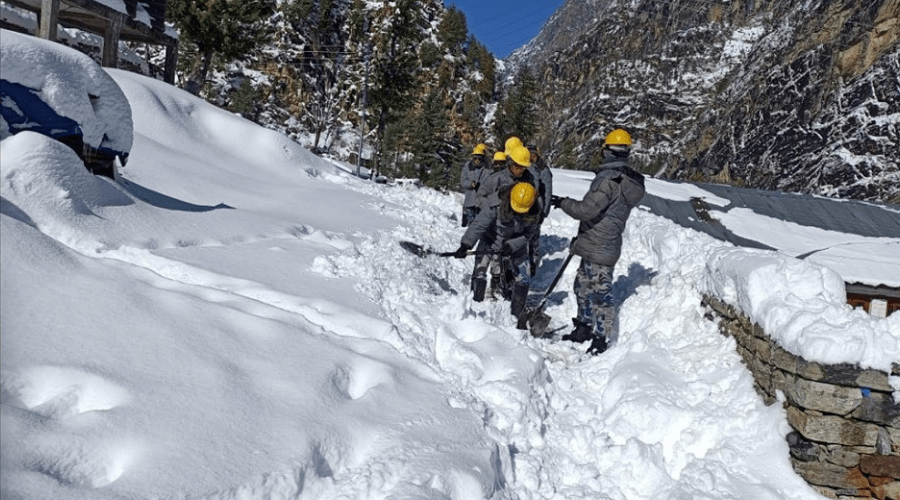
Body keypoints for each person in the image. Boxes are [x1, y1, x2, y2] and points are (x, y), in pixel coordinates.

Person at [549, 129, 645, 355]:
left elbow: (586, 210)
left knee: (601, 294)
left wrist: (564, 203)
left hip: (600, 247)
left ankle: (600, 340)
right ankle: (583, 327)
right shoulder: (628, 181)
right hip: (597, 244)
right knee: (582, 287)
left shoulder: (609, 181)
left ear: (608, 151)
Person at [454, 181, 541, 318]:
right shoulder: (495, 202)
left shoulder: (534, 208)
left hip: (516, 244)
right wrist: (466, 244)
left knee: (523, 276)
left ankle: (516, 316)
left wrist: (513, 245)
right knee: (480, 269)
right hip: (491, 238)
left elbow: (530, 233)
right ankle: (475, 306)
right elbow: (480, 224)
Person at [474, 143, 539, 300]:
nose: (520, 169)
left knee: (506, 261)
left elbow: (533, 203)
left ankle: (501, 291)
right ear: (510, 162)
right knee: (482, 262)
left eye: (523, 167)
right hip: (492, 226)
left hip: (515, 227)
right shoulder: (495, 178)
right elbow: (480, 197)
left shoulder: (529, 181)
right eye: (517, 166)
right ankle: (475, 295)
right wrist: (494, 206)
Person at [527, 143, 553, 276]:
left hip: (537, 207)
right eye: (529, 155)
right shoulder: (522, 167)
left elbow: (547, 192)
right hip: (522, 208)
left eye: (534, 155)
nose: (532, 157)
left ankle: (533, 262)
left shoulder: (543, 170)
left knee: (534, 238)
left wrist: (545, 210)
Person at [459, 143, 488, 227]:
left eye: (479, 158)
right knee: (470, 224)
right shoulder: (467, 166)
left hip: (481, 201)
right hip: (470, 201)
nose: (477, 160)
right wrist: (470, 184)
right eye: (475, 158)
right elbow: (463, 181)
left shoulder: (487, 168)